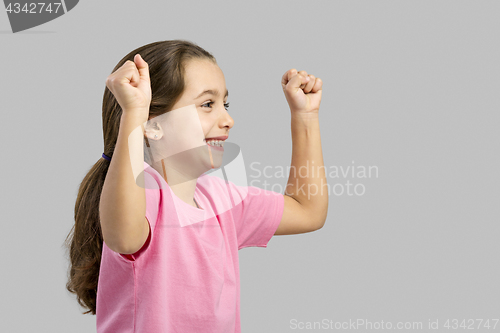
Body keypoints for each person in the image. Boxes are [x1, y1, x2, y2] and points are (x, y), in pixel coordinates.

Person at [64, 39, 328, 333]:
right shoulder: (146, 195)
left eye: (224, 104)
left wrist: (305, 117)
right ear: (154, 123)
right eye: (207, 105)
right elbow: (124, 237)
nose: (228, 120)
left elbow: (308, 209)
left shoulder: (222, 201)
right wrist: (134, 114)